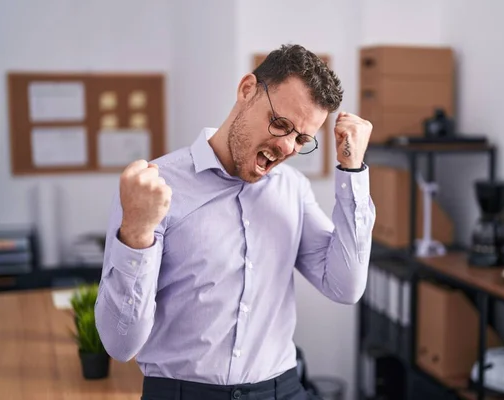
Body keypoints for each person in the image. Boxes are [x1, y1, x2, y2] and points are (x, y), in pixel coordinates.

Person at [95, 44, 376, 400]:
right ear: (247, 90)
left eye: (302, 139)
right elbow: (120, 345)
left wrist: (352, 170)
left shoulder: (293, 189)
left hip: (282, 389)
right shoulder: (153, 188)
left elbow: (346, 287)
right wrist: (135, 231)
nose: (288, 147)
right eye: (280, 124)